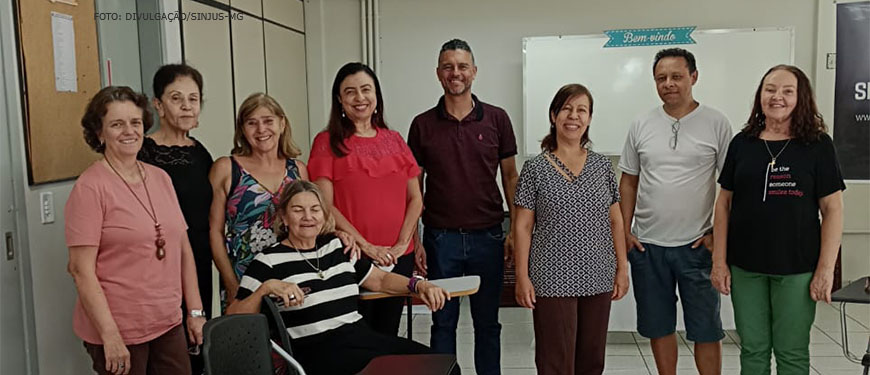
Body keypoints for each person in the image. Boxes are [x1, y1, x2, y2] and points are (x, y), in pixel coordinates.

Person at [227, 180, 451, 375]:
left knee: (441, 366)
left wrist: (418, 285)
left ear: (324, 215)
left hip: (358, 336)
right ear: (284, 217)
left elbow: (380, 280)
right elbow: (234, 316)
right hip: (316, 351)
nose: (308, 217)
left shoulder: (336, 247)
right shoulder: (268, 261)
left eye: (315, 209)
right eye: (298, 210)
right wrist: (266, 288)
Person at [711, 64, 845, 375]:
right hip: (746, 267)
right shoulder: (742, 143)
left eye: (787, 91)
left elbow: (833, 210)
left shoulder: (817, 145)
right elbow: (724, 204)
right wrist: (719, 262)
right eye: (770, 89)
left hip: (797, 269)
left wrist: (825, 270)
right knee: (753, 351)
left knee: (792, 352)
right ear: (760, 95)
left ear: (802, 98)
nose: (777, 97)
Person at [66, 86, 206, 375]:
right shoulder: (90, 187)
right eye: (117, 124)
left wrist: (194, 312)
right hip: (120, 328)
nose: (129, 131)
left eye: (135, 122)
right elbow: (81, 270)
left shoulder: (160, 177)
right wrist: (110, 336)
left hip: (167, 322)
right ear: (99, 133)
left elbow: (182, 247)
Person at [408, 38, 519, 375]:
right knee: (443, 323)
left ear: (474, 71)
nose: (455, 73)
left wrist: (514, 229)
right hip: (441, 240)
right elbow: (415, 187)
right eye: (448, 66)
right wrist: (415, 238)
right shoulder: (422, 124)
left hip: (488, 237)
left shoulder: (497, 119)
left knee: (488, 324)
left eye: (461, 66)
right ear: (438, 73)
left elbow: (511, 177)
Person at [618, 48, 731, 375]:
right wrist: (625, 231)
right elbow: (628, 182)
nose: (669, 84)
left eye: (676, 76)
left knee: (706, 329)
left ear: (693, 77)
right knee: (658, 326)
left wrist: (716, 235)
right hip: (648, 246)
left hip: (697, 246)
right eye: (661, 78)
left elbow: (729, 189)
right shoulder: (641, 124)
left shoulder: (716, 123)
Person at [513, 84, 629, 375]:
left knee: (591, 358)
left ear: (589, 118)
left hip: (598, 273)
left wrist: (622, 268)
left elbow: (615, 220)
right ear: (553, 115)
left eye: (581, 110)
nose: (573, 116)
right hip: (551, 276)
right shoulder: (535, 168)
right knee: (555, 358)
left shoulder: (602, 166)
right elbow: (523, 226)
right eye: (566, 108)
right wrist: (522, 276)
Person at [308, 62, 423, 336]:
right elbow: (325, 206)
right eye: (350, 92)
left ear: (376, 95)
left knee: (388, 333)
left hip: (398, 258)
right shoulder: (326, 142)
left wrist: (401, 244)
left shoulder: (395, 139)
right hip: (352, 256)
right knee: (357, 336)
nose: (359, 98)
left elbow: (415, 199)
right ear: (340, 99)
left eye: (365, 90)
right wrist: (368, 247)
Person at [137, 63, 212, 374]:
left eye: (193, 99)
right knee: (164, 352)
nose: (186, 106)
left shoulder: (200, 152)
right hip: (158, 263)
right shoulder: (144, 152)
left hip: (199, 258)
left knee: (196, 342)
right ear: (158, 104)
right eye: (176, 98)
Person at [208, 93, 309, 309]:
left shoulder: (298, 170)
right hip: (244, 277)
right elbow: (214, 232)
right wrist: (232, 284)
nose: (261, 130)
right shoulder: (226, 168)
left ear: (282, 124)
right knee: (249, 339)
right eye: (252, 123)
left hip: (292, 277)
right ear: (242, 130)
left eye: (268, 121)